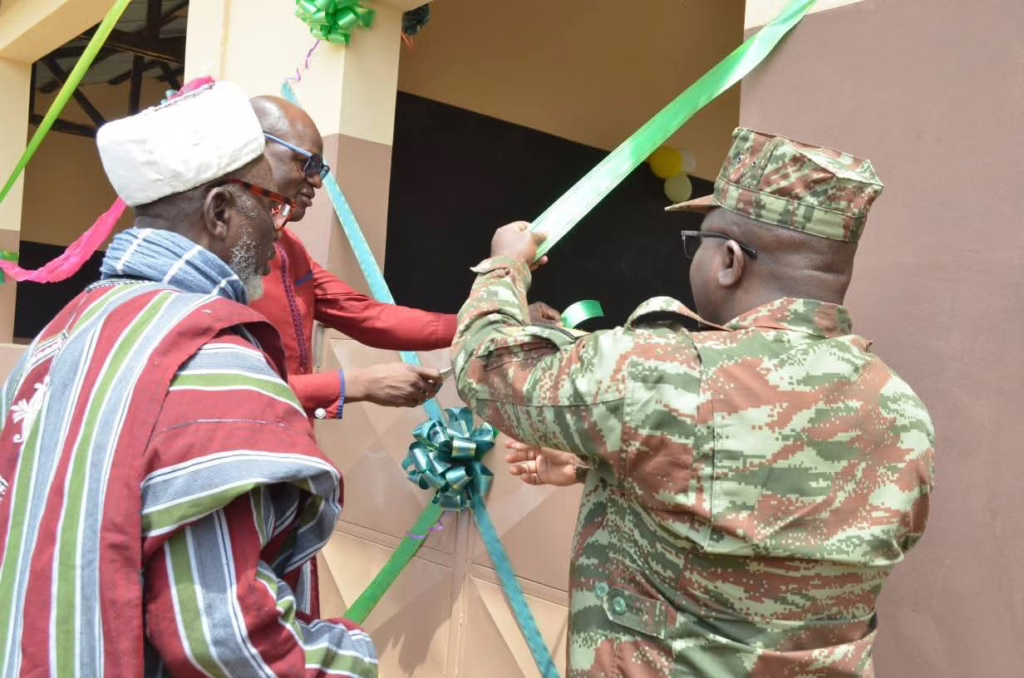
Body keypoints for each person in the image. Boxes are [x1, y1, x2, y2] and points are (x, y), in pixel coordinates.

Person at [452, 128, 935, 676]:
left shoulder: (665, 372)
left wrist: (503, 266)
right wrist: (603, 466)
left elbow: (485, 367)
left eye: (698, 241)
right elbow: (770, 511)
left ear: (729, 260)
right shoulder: (901, 410)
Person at [0, 81, 377, 677]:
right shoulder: (213, 358)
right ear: (221, 211)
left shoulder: (59, 335)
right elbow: (222, 638)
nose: (278, 232)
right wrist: (351, 660)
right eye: (272, 208)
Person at [248, 96, 560, 420]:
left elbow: (369, 318)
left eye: (321, 168)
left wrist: (498, 316)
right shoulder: (213, 255)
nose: (317, 181)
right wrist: (355, 384)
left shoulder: (290, 250)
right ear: (251, 150)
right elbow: (227, 388)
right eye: (307, 163)